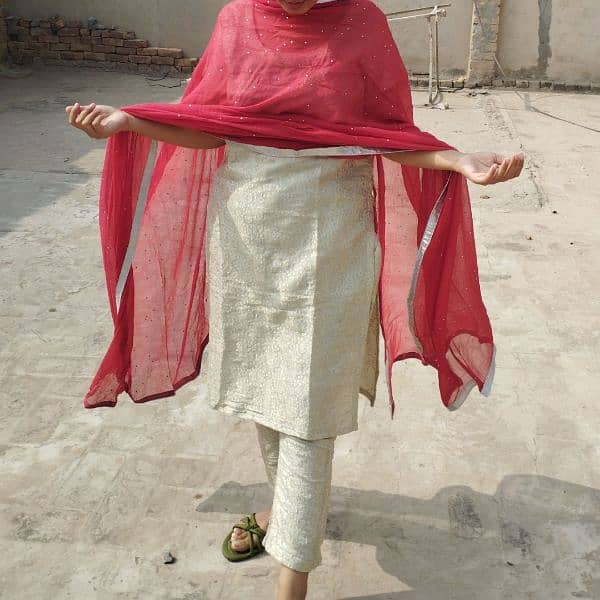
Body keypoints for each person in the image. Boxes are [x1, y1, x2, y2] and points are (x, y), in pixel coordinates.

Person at [66, 1, 524, 598]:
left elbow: (386, 135)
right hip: (248, 234)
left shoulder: (362, 22)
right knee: (266, 386)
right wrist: (127, 122)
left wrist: (456, 159)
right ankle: (283, 515)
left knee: (308, 407)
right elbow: (208, 126)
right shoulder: (239, 20)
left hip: (334, 236)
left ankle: (292, 580)